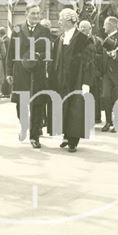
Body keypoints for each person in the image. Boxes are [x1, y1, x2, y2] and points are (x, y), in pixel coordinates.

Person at [6, 3, 52, 148]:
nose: (36, 16)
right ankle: (24, 126)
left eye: (38, 13)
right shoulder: (17, 29)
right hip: (20, 72)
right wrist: (8, 72)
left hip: (37, 73)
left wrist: (40, 55)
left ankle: (34, 137)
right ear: (26, 14)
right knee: (21, 104)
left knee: (37, 105)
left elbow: (49, 51)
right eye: (33, 13)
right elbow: (10, 52)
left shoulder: (44, 30)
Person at [48, 9, 93, 153]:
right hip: (62, 79)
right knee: (64, 107)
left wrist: (86, 82)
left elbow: (89, 62)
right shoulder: (60, 38)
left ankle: (73, 140)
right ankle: (66, 135)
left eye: (61, 19)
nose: (59, 22)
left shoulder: (83, 39)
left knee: (75, 109)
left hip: (77, 80)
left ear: (69, 21)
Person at [79, 20, 105, 124]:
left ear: (90, 29)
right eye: (81, 27)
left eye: (85, 28)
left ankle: (95, 117)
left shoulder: (97, 41)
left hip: (94, 72)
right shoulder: (77, 40)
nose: (83, 30)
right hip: (81, 72)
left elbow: (102, 56)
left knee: (94, 95)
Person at [0, 27, 11, 98]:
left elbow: (4, 53)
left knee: (4, 75)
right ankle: (7, 92)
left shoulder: (5, 41)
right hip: (6, 61)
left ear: (0, 33)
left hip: (4, 61)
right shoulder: (7, 39)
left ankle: (6, 92)